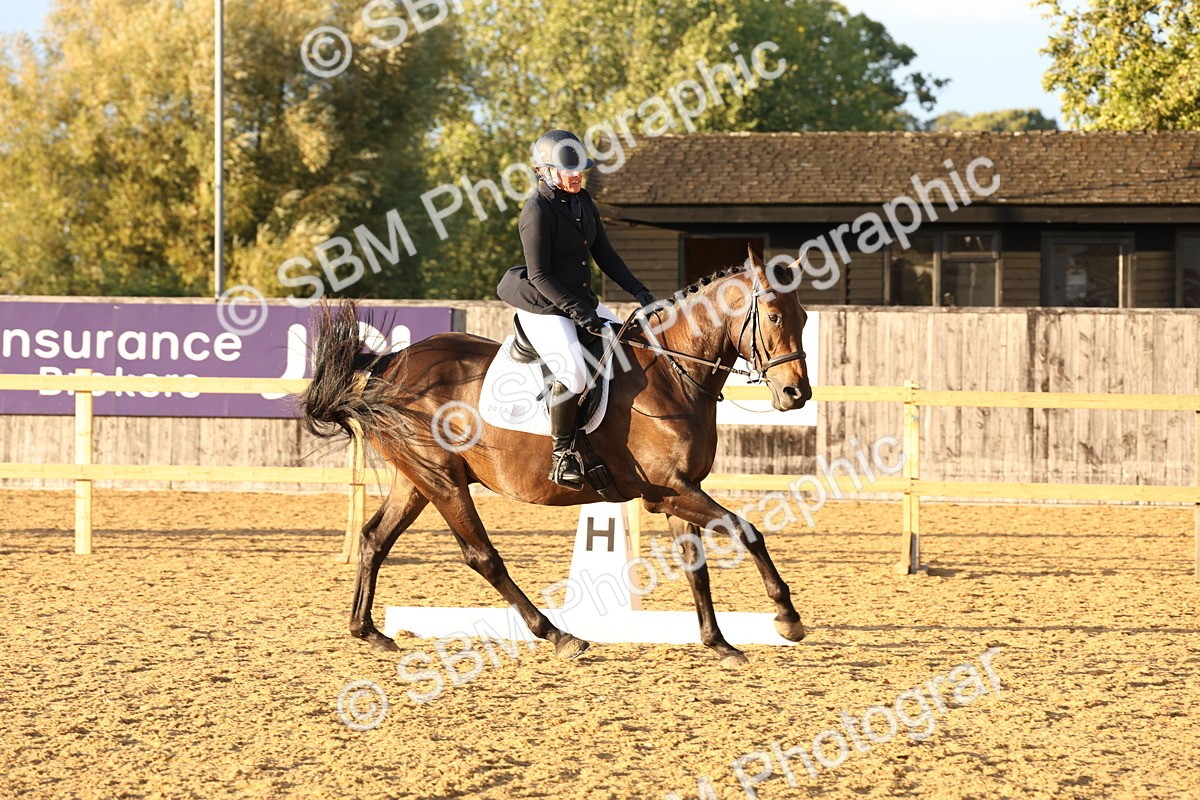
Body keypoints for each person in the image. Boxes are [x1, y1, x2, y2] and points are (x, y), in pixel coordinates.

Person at [496, 129, 656, 490]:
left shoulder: (583, 201)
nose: (576, 174)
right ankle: (562, 456)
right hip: (545, 307)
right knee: (574, 375)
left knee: (630, 347)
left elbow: (605, 255)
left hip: (580, 303)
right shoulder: (536, 211)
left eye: (579, 168)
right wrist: (581, 314)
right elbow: (539, 275)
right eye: (569, 170)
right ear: (544, 171)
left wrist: (639, 290)